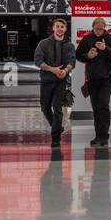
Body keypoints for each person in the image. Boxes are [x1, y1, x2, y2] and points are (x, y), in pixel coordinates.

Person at [75, 16, 111, 149]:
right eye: (96, 28)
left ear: (104, 28)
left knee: (103, 105)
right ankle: (97, 136)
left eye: (101, 29)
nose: (99, 31)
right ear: (93, 27)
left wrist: (105, 48)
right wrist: (87, 56)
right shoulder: (87, 39)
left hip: (107, 78)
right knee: (95, 107)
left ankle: (104, 136)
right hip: (92, 78)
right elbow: (78, 55)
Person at [35, 18, 75, 147]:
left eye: (62, 27)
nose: (59, 29)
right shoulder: (43, 43)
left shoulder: (69, 45)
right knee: (45, 107)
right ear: (53, 28)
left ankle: (56, 138)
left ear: (65, 29)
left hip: (61, 81)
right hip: (46, 80)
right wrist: (52, 69)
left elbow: (71, 62)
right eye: (57, 26)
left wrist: (65, 70)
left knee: (57, 109)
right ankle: (57, 127)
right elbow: (38, 61)